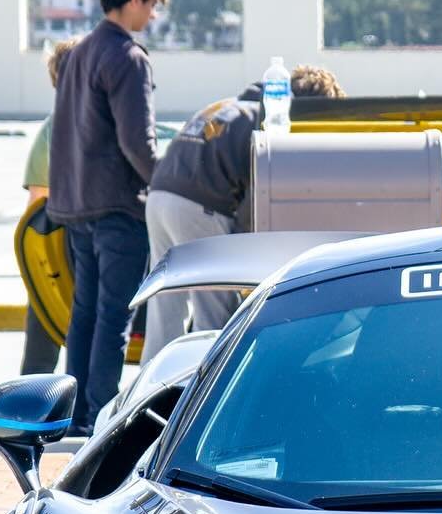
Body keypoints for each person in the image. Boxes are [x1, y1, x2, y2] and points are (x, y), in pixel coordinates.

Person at [142, 64, 343, 360]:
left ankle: (153, 387)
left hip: (159, 197)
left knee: (165, 309)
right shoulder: (267, 121)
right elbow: (258, 194)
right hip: (200, 206)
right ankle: (204, 390)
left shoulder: (228, 106)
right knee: (213, 312)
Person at [47, 0, 171, 435]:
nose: (153, 16)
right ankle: (101, 419)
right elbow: (138, 144)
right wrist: (166, 183)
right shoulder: (127, 57)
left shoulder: (79, 51)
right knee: (114, 316)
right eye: (153, 5)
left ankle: (72, 412)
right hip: (118, 206)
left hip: (75, 204)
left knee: (84, 313)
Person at [18, 37, 80, 374]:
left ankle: (28, 413)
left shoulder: (52, 127)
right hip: (86, 245)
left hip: (55, 252)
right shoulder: (97, 119)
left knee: (42, 341)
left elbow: (36, 206)